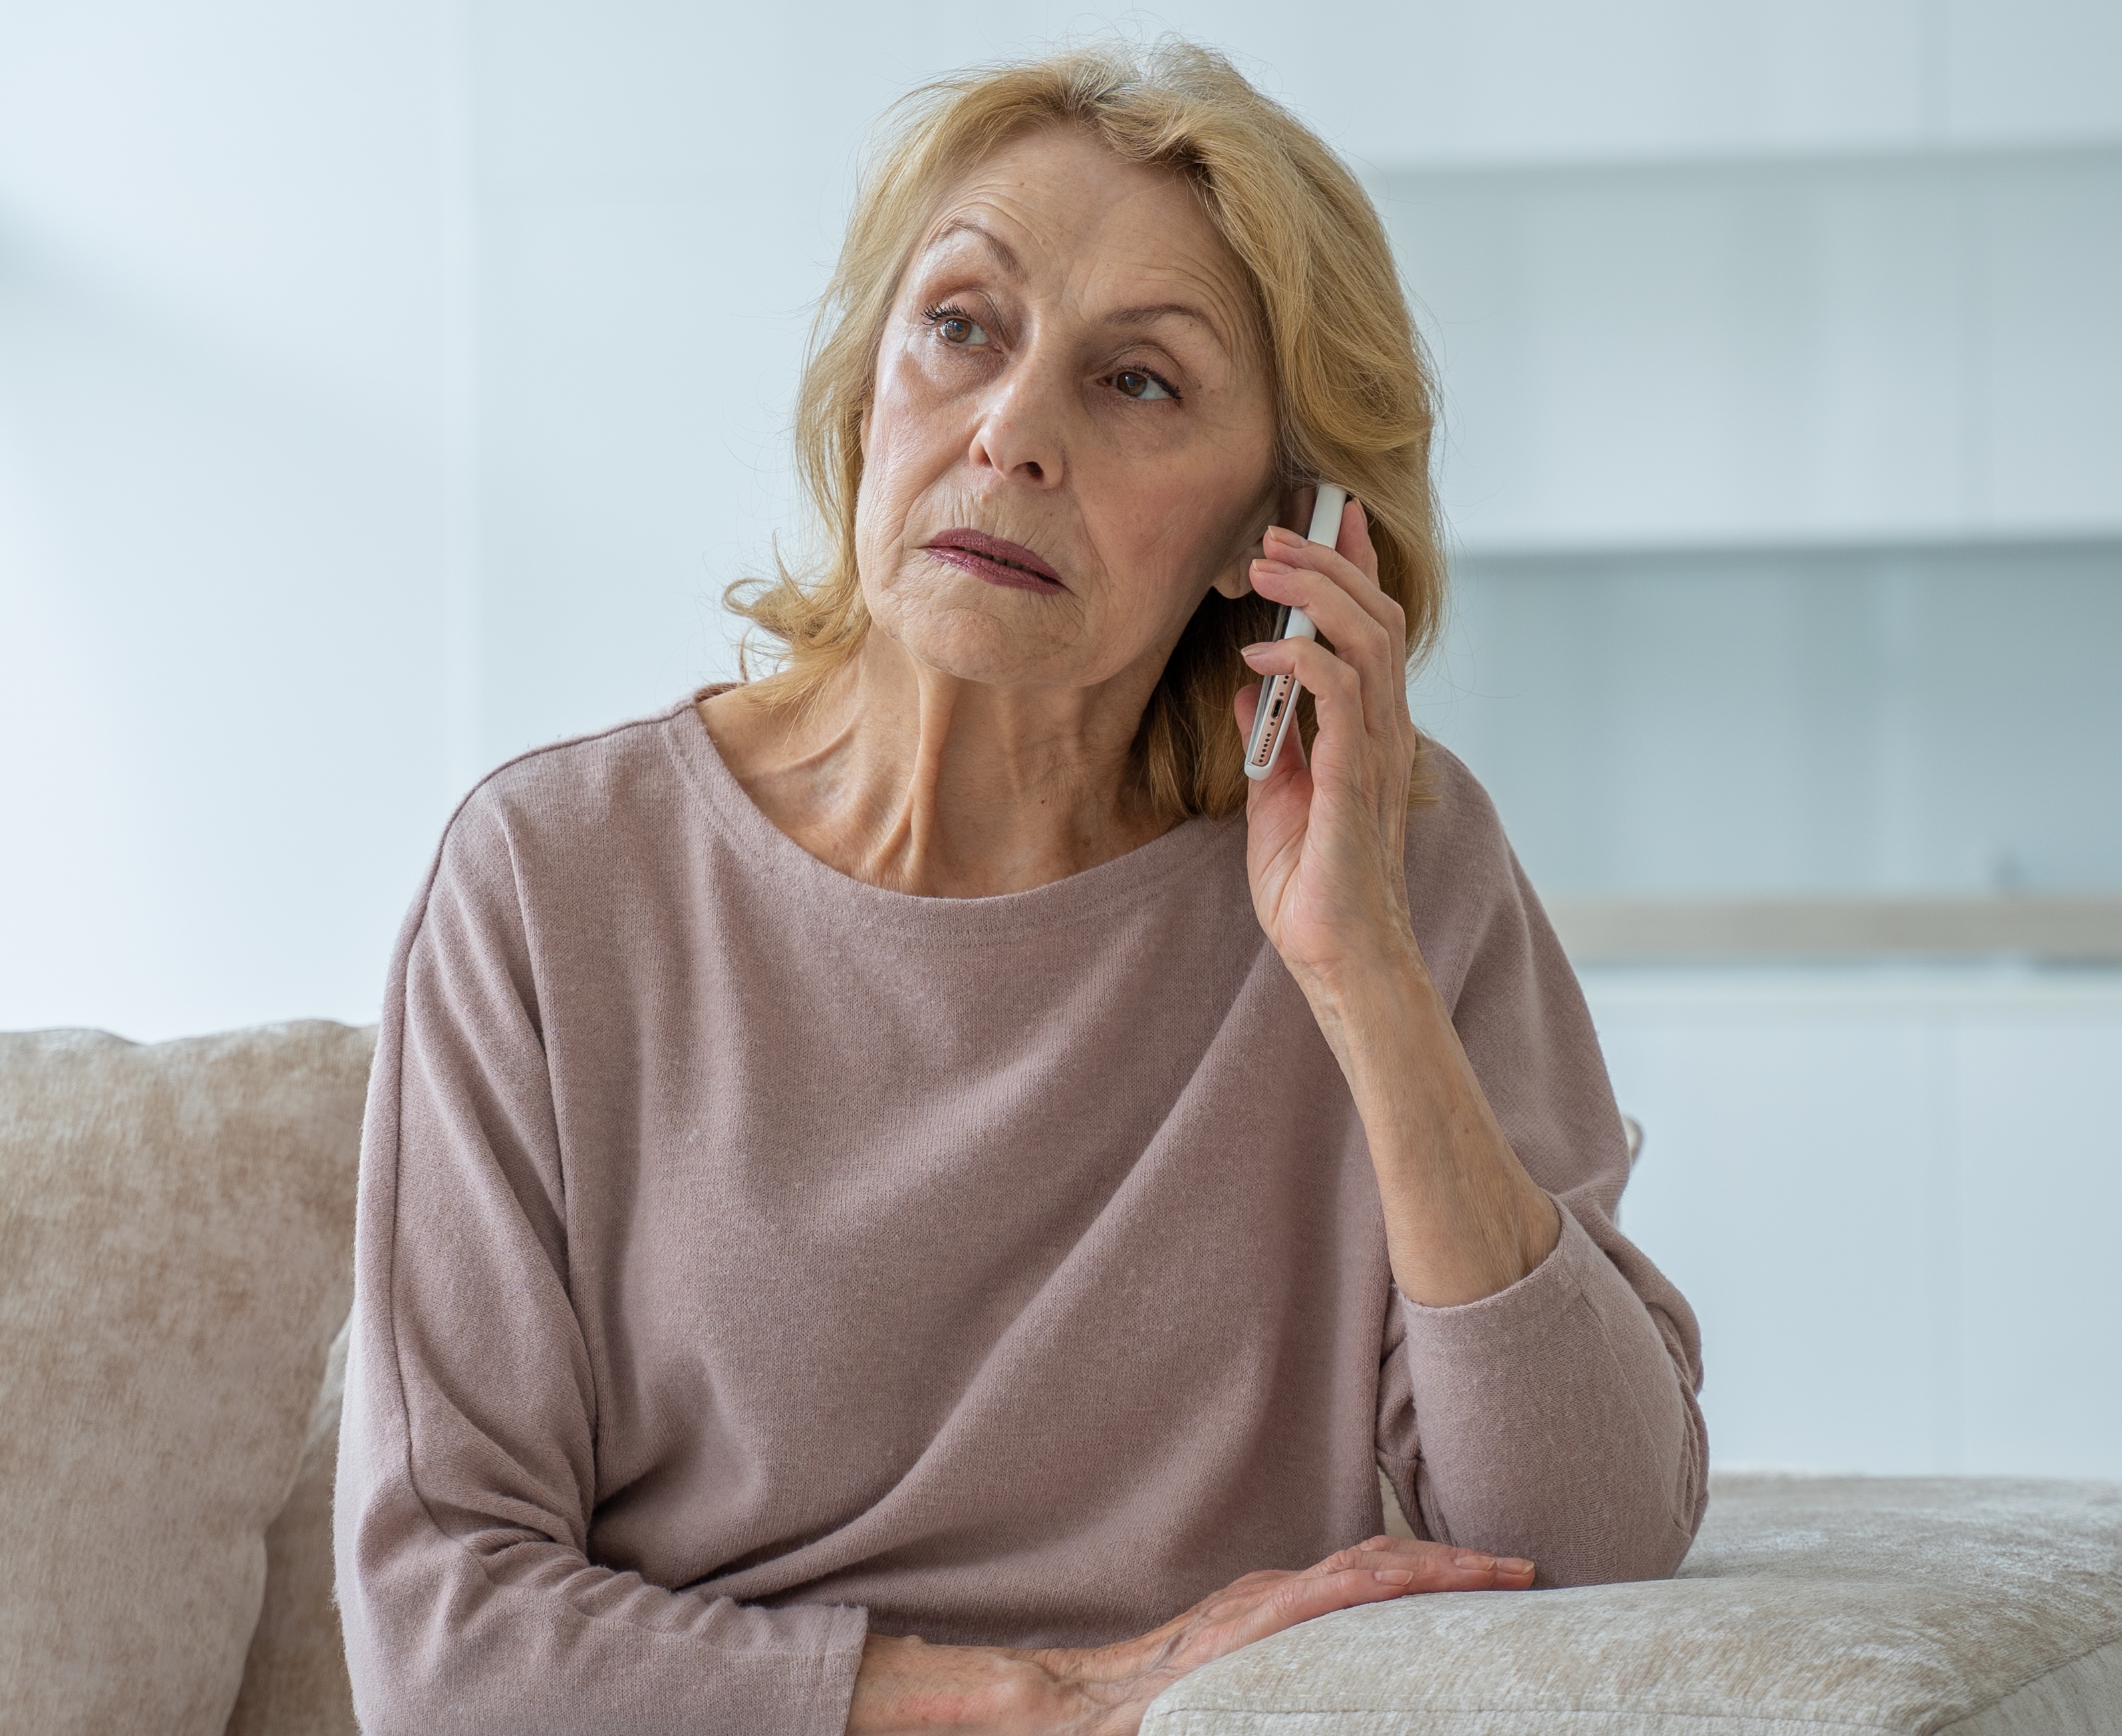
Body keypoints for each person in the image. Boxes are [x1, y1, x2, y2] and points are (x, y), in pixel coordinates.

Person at [336, 37, 1705, 1736]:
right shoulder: (550, 881)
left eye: (1139, 383)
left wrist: (1360, 973)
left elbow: (1587, 1547)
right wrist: (1052, 1698)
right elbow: (438, 1642)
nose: (1010, 431)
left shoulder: (1395, 870)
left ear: (1276, 534)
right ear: (865, 389)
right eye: (963, 326)